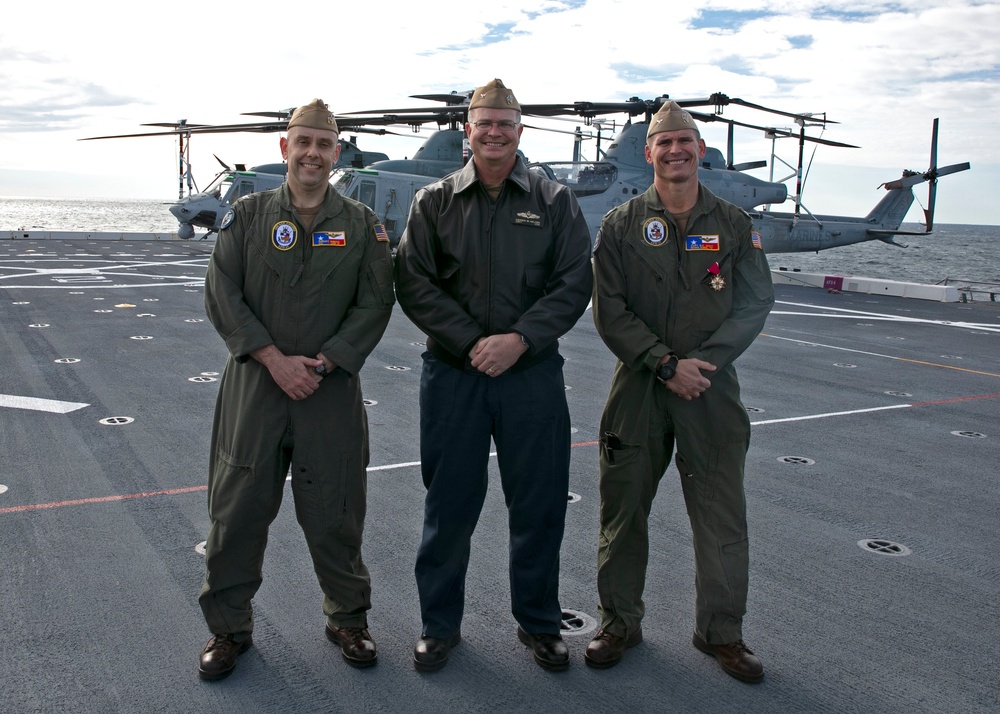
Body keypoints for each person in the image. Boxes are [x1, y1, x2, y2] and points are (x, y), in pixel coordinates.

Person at [394, 79, 593, 673]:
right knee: (448, 506)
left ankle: (538, 624)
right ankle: (438, 626)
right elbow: (413, 282)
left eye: (506, 122)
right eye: (485, 122)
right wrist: (472, 342)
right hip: (455, 374)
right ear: (468, 130)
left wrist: (520, 340)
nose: (495, 131)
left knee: (538, 504)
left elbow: (574, 282)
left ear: (520, 130)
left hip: (530, 375)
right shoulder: (433, 202)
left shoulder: (556, 202)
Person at [196, 98, 395, 680]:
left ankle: (347, 618)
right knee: (236, 511)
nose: (312, 153)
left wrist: (326, 363)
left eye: (324, 144)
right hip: (255, 388)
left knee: (335, 511)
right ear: (285, 148)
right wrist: (272, 358)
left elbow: (375, 302)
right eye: (302, 141)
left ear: (336, 153)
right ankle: (228, 630)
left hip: (328, 393)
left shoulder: (362, 225)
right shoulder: (250, 214)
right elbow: (221, 291)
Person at [585, 100, 774, 683]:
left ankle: (722, 633)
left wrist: (703, 365)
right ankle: (618, 623)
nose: (674, 150)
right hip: (640, 387)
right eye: (663, 143)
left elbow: (753, 303)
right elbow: (609, 309)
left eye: (684, 141)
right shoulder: (620, 225)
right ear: (649, 153)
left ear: (699, 149)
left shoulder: (734, 225)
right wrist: (664, 363)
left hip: (710, 391)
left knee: (721, 515)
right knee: (623, 513)